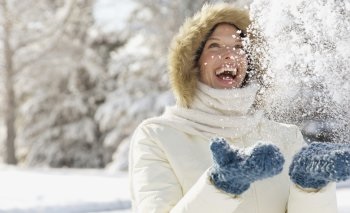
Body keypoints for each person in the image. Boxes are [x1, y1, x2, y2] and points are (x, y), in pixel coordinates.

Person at [129, 3, 349, 213]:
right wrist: (220, 186)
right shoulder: (158, 137)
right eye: (214, 46)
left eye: (239, 46)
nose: (230, 55)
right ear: (192, 62)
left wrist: (311, 188)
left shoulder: (287, 137)